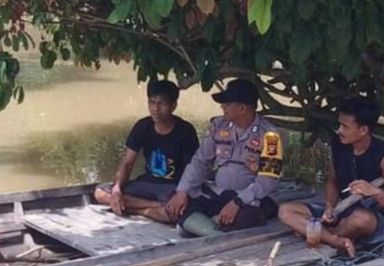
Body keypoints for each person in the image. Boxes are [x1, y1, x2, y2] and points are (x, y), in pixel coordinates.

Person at [278, 97, 384, 257]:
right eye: (339, 125)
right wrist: (330, 206)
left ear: (363, 130)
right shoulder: (338, 144)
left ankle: (320, 233)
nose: (339, 131)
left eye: (345, 126)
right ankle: (335, 240)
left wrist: (374, 191)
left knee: (361, 219)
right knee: (286, 210)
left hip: (372, 218)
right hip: (341, 209)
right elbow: (332, 180)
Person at [165, 78, 283, 236]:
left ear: (242, 108)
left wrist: (237, 202)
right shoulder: (217, 126)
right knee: (177, 200)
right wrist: (183, 191)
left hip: (252, 198)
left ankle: (199, 227)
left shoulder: (270, 136)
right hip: (219, 193)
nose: (222, 107)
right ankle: (214, 229)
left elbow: (267, 180)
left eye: (227, 104)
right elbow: (200, 161)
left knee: (248, 215)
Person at [93, 80, 199, 223]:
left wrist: (182, 194)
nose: (156, 108)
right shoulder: (143, 126)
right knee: (100, 193)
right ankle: (152, 208)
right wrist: (117, 189)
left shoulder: (185, 131)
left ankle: (135, 208)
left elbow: (192, 169)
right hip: (147, 183)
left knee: (174, 213)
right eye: (152, 102)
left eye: (162, 104)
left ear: (173, 106)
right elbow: (127, 163)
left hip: (172, 187)